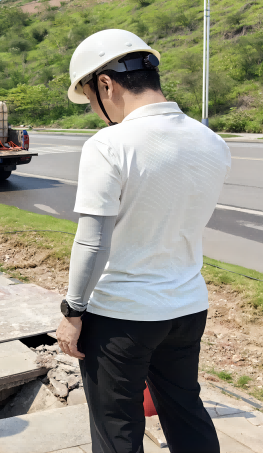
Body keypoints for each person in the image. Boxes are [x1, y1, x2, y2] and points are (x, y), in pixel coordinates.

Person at [55, 29, 231, 453]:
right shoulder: (211, 141)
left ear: (104, 84)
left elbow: (93, 241)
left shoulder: (110, 145)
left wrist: (73, 310)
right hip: (187, 306)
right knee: (185, 409)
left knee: (117, 427)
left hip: (121, 314)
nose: (98, 114)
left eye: (92, 100)